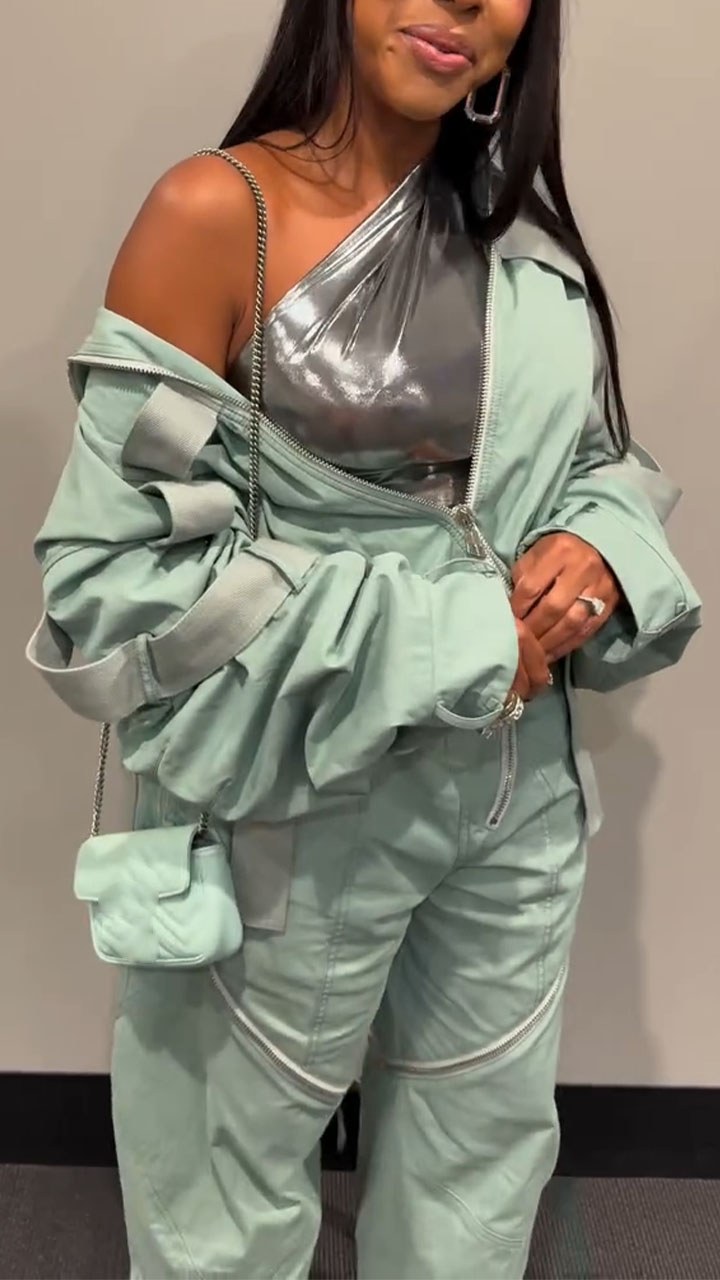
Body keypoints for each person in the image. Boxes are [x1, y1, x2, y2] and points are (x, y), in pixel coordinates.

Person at [27, 1, 701, 1277]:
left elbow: (589, 464)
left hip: (515, 799)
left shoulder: (519, 238)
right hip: (296, 792)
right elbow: (120, 580)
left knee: (480, 1164)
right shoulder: (215, 215)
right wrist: (463, 632)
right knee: (222, 1176)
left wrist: (601, 550)